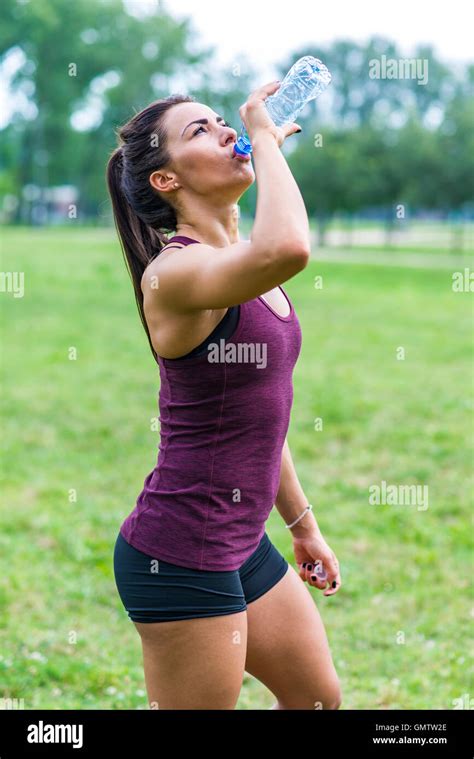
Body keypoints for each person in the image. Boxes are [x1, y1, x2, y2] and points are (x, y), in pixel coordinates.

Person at [106, 80, 342, 710]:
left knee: (318, 699)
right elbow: (289, 246)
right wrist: (264, 140)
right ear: (167, 181)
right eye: (199, 132)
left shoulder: (238, 264)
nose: (223, 131)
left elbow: (261, 419)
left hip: (241, 544)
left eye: (219, 121)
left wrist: (303, 525)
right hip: (180, 555)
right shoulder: (176, 274)